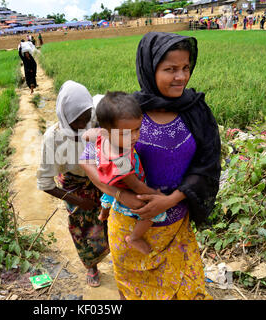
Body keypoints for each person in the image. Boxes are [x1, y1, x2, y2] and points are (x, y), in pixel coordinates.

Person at [80, 32, 221, 300]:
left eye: (185, 68)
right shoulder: (128, 110)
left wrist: (169, 201)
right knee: (134, 293)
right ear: (149, 67)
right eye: (170, 69)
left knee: (188, 292)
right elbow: (87, 159)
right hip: (130, 230)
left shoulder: (196, 110)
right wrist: (121, 195)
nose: (181, 76)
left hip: (176, 228)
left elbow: (207, 166)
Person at [37, 80, 110, 287]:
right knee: (82, 226)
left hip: (101, 175)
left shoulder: (96, 117)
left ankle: (115, 253)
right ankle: (91, 265)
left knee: (109, 217)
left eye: (88, 118)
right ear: (65, 116)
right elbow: (45, 183)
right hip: (75, 183)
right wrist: (77, 200)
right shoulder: (53, 139)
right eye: (78, 120)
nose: (85, 125)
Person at [80, 92, 167, 255]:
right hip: (128, 189)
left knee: (107, 197)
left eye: (137, 129)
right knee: (156, 213)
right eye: (126, 133)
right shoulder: (121, 160)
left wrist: (99, 134)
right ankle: (134, 237)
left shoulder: (103, 136)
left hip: (111, 183)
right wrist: (156, 195)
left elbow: (86, 135)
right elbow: (137, 185)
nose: (134, 137)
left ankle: (103, 213)